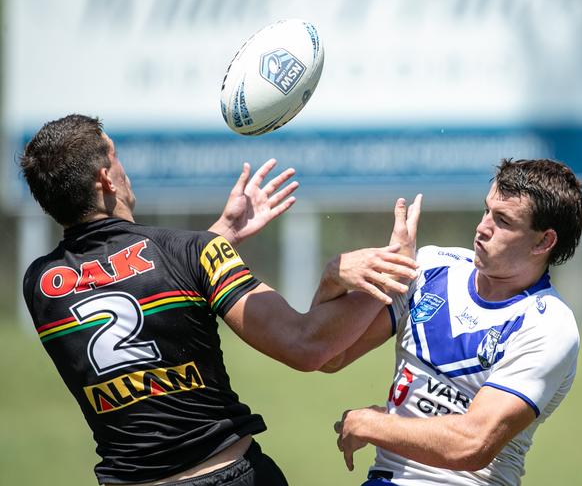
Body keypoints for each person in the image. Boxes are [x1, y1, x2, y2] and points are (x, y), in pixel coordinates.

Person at [19, 114, 419, 486]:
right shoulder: (188, 251)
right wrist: (395, 270)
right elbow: (305, 344)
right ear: (106, 179)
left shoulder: (39, 285)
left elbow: (127, 281)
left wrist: (221, 234)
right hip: (227, 475)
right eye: (116, 157)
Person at [317, 158, 582, 485]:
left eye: (503, 220)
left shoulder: (548, 324)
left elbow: (472, 443)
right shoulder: (432, 267)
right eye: (487, 210)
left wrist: (371, 424)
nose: (483, 227)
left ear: (543, 242)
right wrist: (335, 278)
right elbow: (330, 355)